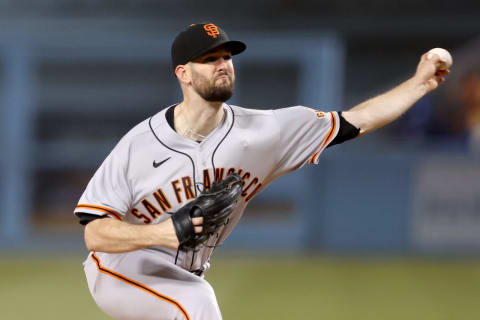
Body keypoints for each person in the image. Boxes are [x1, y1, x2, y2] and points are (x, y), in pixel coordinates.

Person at [74, 22, 450, 320]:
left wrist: (419, 84)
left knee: (189, 297)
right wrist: (164, 232)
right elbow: (95, 233)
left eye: (227, 56)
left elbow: (357, 120)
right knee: (194, 304)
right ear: (184, 74)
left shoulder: (265, 131)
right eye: (210, 59)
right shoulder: (139, 144)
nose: (223, 64)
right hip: (121, 269)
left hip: (186, 272)